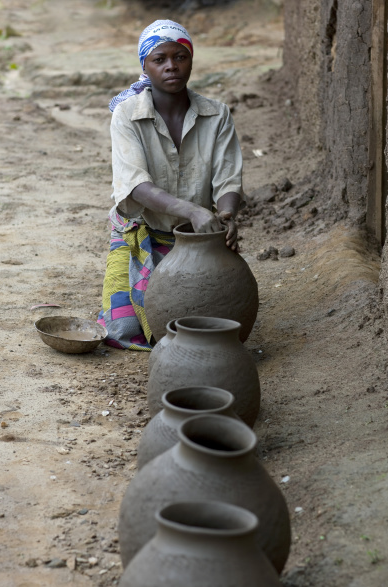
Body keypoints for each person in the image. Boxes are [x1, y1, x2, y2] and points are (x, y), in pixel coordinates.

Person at [98, 19, 244, 351]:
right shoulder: (126, 114)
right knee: (124, 330)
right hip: (141, 233)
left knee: (203, 324)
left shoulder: (216, 115)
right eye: (159, 59)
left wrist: (227, 215)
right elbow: (135, 185)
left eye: (180, 57)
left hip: (196, 242)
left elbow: (228, 178)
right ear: (145, 67)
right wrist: (193, 210)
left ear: (191, 60)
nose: (171, 67)